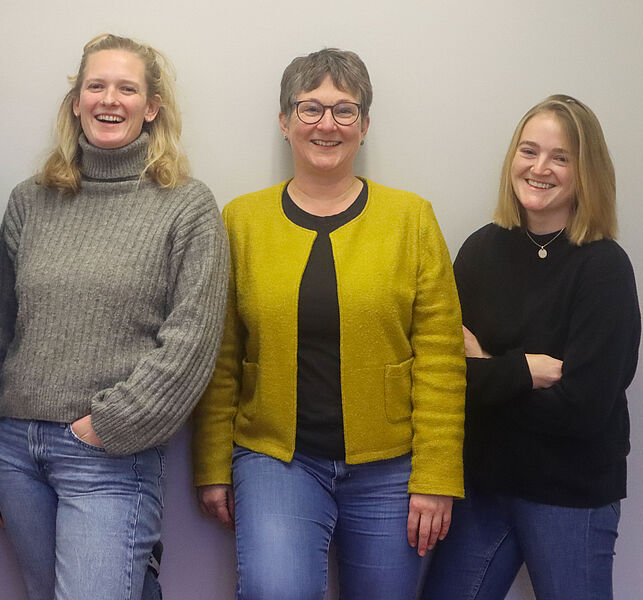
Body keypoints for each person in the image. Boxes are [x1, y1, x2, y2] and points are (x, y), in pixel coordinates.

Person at [191, 48, 466, 600]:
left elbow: (440, 355)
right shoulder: (241, 220)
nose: (327, 124)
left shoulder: (410, 218)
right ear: (284, 121)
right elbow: (220, 355)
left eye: (345, 110)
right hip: (275, 460)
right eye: (310, 108)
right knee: (275, 590)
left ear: (364, 125)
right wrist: (213, 464)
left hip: (390, 464)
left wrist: (437, 475)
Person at [0, 33, 228, 600]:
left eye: (126, 89)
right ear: (76, 102)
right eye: (96, 86)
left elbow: (192, 342)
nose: (109, 100)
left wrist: (111, 426)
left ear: (152, 107)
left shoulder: (187, 206)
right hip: (18, 453)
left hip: (109, 454)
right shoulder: (30, 200)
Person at [421, 95, 639, 600]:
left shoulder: (604, 268)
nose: (540, 168)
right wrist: (522, 372)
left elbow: (583, 409)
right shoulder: (481, 249)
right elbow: (446, 376)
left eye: (561, 157)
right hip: (486, 486)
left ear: (586, 172)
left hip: (571, 493)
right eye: (529, 151)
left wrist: (485, 368)